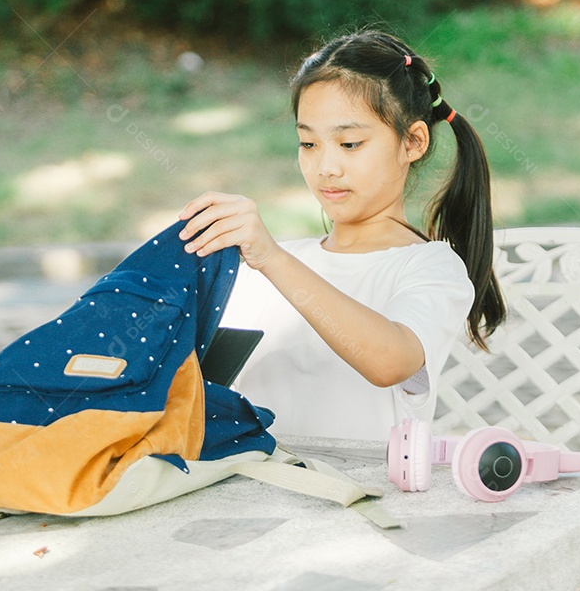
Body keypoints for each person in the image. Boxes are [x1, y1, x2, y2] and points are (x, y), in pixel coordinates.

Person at [177, 30, 506, 442]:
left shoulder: (429, 267)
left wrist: (272, 259)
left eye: (349, 143)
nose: (325, 167)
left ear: (414, 142)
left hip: (364, 482)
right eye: (308, 143)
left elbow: (390, 361)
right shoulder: (270, 265)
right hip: (255, 478)